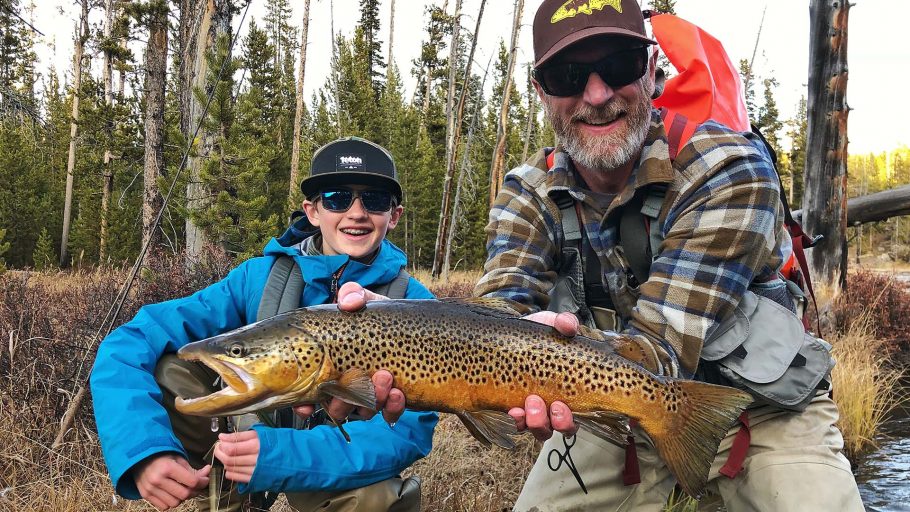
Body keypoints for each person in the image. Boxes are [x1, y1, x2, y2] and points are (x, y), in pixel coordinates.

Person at [473, 1, 865, 510]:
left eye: (618, 66)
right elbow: (495, 313)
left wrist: (553, 364)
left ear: (651, 69)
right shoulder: (527, 191)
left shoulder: (729, 169)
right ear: (542, 92)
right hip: (614, 403)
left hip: (763, 405)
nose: (597, 95)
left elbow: (662, 344)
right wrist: (392, 335)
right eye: (568, 75)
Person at [90, 136, 438, 512]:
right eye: (337, 198)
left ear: (394, 215)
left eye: (374, 200)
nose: (356, 212)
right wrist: (143, 450)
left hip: (333, 452)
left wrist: (279, 456)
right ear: (312, 211)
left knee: (378, 500)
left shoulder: (415, 304)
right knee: (170, 367)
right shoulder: (259, 279)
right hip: (251, 430)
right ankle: (229, 499)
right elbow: (128, 344)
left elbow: (406, 432)